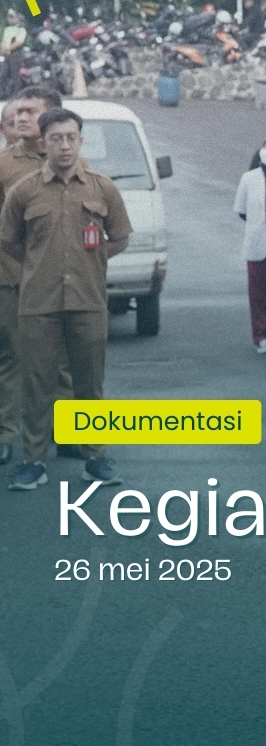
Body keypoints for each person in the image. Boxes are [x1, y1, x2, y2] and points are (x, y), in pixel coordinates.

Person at [2, 107, 132, 490]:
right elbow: (8, 241)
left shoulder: (101, 188)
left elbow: (120, 237)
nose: (64, 145)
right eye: (56, 138)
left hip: (87, 301)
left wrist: (94, 260)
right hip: (38, 304)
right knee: (37, 384)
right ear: (44, 143)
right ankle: (33, 461)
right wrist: (38, 264)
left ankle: (96, 458)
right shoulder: (24, 191)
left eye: (71, 138)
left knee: (89, 383)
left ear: (80, 141)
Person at [0, 86, 63, 466]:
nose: (21, 117)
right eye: (18, 112)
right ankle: (6, 434)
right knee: (12, 355)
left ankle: (69, 431)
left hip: (62, 277)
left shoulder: (71, 162)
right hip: (12, 277)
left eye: (30, 111)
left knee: (65, 359)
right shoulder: (4, 164)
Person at [234, 133, 266, 354]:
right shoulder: (249, 178)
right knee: (259, 294)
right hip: (257, 245)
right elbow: (241, 210)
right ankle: (262, 335)